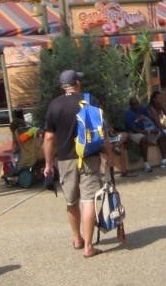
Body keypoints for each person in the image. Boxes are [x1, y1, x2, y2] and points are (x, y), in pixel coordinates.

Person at [42, 70, 116, 258]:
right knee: (88, 200)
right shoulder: (90, 100)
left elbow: (49, 137)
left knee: (71, 201)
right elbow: (103, 131)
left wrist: (49, 164)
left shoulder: (54, 105)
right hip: (89, 157)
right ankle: (89, 247)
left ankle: (77, 239)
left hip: (66, 160)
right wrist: (110, 155)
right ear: (77, 83)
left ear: (62, 86)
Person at [124, 96, 166, 171]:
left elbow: (152, 117)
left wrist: (161, 129)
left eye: (137, 103)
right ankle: (146, 164)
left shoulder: (142, 108)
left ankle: (164, 160)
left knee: (160, 135)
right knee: (143, 139)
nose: (136, 105)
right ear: (130, 105)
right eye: (134, 104)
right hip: (133, 133)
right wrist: (149, 132)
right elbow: (134, 130)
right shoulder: (128, 114)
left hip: (143, 130)